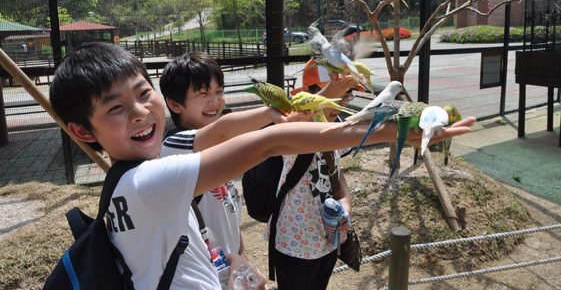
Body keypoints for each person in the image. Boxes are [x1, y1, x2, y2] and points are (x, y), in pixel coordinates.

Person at [49, 43, 474, 290]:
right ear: (83, 131)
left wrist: (276, 113)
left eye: (144, 93)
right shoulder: (148, 181)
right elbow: (271, 144)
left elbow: (219, 131)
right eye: (117, 109)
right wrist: (389, 131)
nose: (141, 112)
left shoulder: (138, 169)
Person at [159, 51, 310, 287]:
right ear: (174, 104)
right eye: (203, 94)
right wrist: (270, 113)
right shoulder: (174, 148)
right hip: (202, 274)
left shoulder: (220, 147)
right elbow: (223, 128)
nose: (215, 101)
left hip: (229, 269)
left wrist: (243, 258)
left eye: (219, 92)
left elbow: (228, 214)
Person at [264, 59, 364, 290]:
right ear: (311, 94)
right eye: (334, 96)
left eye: (346, 95)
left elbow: (335, 172)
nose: (340, 104)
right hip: (294, 242)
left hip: (327, 238)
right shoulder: (296, 127)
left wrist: (346, 203)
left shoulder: (337, 124)